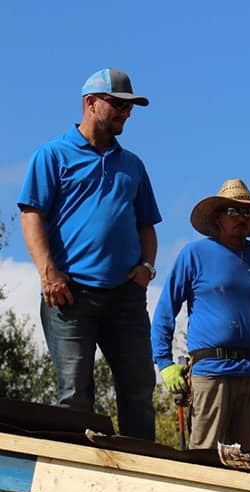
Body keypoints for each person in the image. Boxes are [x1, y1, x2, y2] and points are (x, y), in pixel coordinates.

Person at [17, 68, 160, 439]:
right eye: (118, 104)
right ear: (90, 102)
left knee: (139, 388)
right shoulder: (52, 154)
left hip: (125, 295)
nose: (125, 113)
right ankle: (80, 478)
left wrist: (147, 266)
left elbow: (147, 224)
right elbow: (32, 214)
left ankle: (143, 470)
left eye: (130, 108)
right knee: (74, 395)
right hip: (70, 293)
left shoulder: (133, 165)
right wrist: (48, 274)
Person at [151, 180, 250, 452]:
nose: (242, 218)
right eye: (234, 211)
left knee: (247, 462)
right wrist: (164, 362)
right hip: (210, 373)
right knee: (205, 458)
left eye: (248, 213)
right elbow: (166, 309)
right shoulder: (194, 254)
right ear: (218, 217)